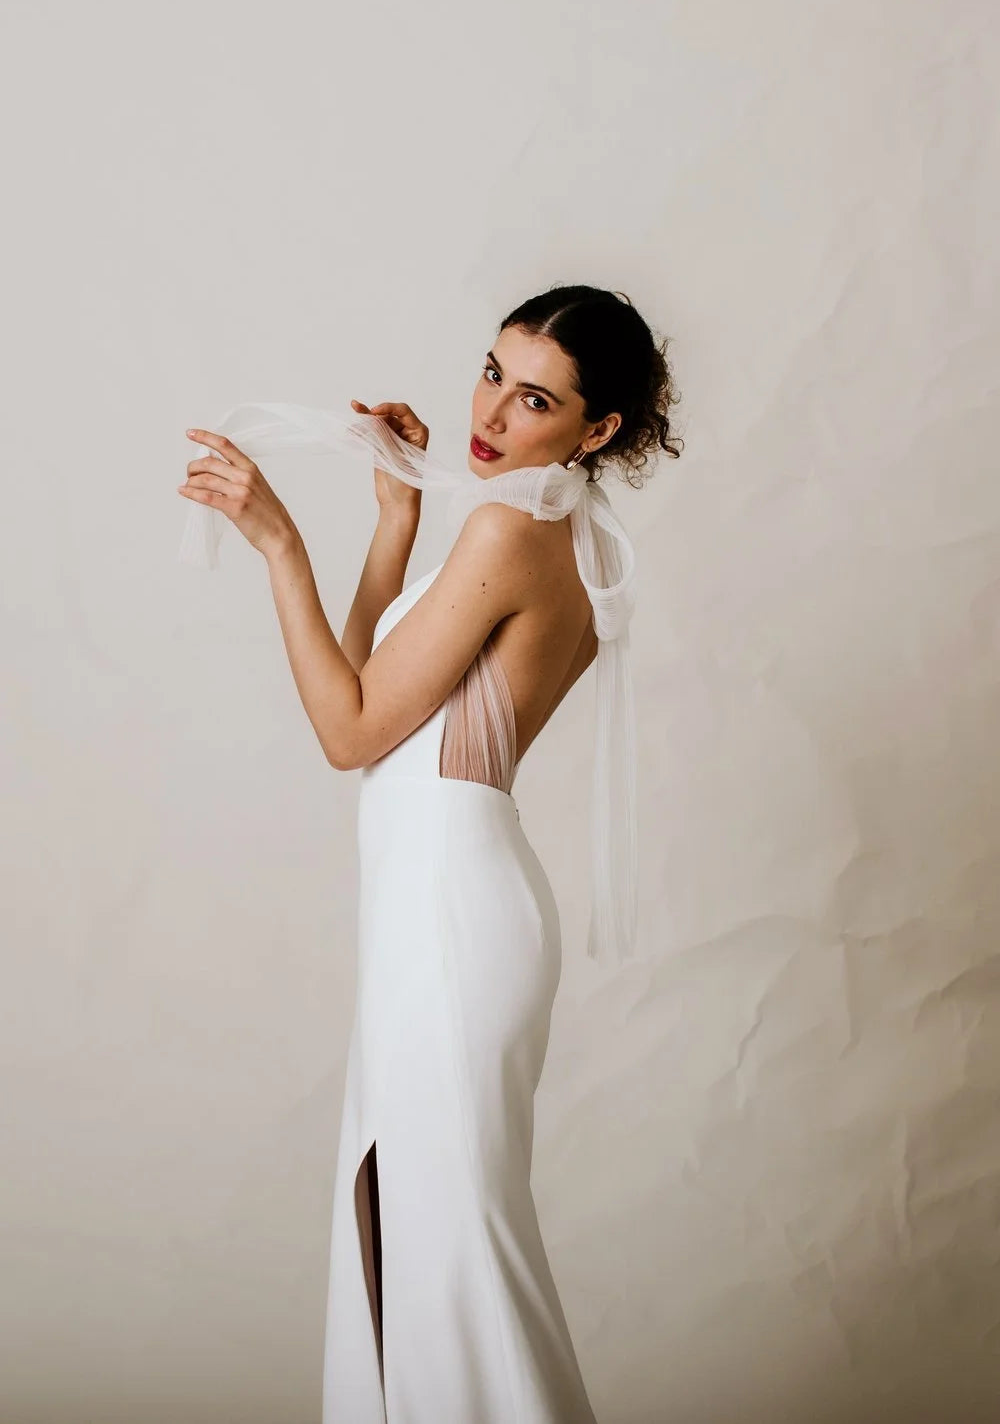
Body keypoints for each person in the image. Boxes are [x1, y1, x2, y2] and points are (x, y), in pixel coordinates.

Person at [177, 283, 681, 1422]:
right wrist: (393, 522)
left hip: (453, 921)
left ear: (596, 430)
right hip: (439, 910)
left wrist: (276, 542)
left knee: (448, 1244)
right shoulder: (543, 531)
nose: (492, 411)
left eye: (536, 396)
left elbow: (345, 729)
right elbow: (360, 698)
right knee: (399, 1222)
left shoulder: (512, 531)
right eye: (492, 370)